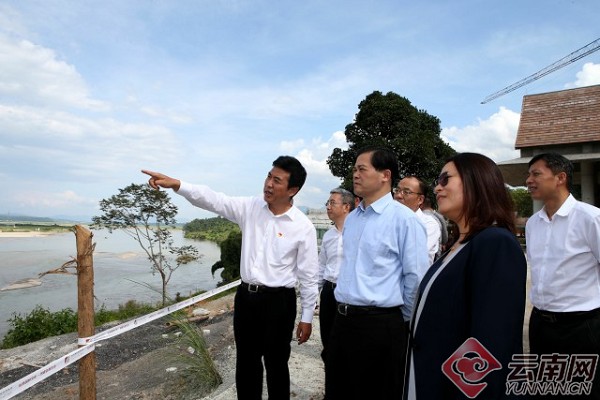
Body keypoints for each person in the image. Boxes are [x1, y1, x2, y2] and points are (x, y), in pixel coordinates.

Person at [142, 155, 319, 400]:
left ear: (292, 190)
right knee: (246, 362)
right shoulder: (251, 207)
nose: (268, 184)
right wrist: (178, 185)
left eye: (277, 180)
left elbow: (309, 276)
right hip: (246, 299)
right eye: (268, 176)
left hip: (279, 302)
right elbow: (214, 199)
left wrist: (307, 317)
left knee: (277, 363)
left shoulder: (302, 226)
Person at [405, 152, 527, 399]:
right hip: (428, 377)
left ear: (476, 182)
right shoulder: (458, 245)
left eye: (445, 179)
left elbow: (491, 341)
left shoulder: (495, 243)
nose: (437, 187)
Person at [326, 147, 429, 400]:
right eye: (354, 169)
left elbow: (416, 278)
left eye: (362, 169)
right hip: (342, 321)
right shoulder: (353, 219)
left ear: (385, 175)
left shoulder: (404, 220)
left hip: (380, 325)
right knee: (338, 391)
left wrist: (398, 320)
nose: (355, 175)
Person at [526, 152, 600, 399]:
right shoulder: (533, 223)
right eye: (528, 175)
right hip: (541, 324)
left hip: (581, 327)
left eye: (536, 174)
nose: (529, 180)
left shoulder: (591, 217)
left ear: (560, 178)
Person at [317, 188, 355, 386]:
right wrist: (314, 294)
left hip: (349, 295)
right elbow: (321, 266)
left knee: (348, 345)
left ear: (346, 207)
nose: (328, 207)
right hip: (329, 292)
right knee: (328, 343)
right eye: (328, 203)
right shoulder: (329, 236)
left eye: (332, 203)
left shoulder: (358, 233)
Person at [394, 175, 441, 265]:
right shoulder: (387, 219)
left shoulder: (428, 224)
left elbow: (412, 257)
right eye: (397, 190)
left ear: (420, 199)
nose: (398, 195)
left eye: (406, 192)